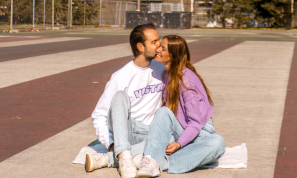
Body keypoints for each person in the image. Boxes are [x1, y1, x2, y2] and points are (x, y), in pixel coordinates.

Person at [136, 35, 226, 177]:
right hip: (180, 128)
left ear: (172, 56)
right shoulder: (167, 74)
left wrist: (179, 144)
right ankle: (152, 161)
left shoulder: (186, 80)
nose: (158, 49)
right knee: (162, 113)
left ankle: (159, 162)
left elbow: (195, 123)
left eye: (162, 48)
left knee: (217, 143)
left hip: (200, 131)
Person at [86, 23, 165, 178]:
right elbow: (99, 115)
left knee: (174, 136)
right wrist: (111, 143)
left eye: (159, 40)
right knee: (120, 96)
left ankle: (116, 158)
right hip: (128, 132)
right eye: (154, 42)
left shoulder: (162, 69)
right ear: (141, 47)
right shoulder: (121, 76)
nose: (159, 45)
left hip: (151, 133)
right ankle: (122, 151)